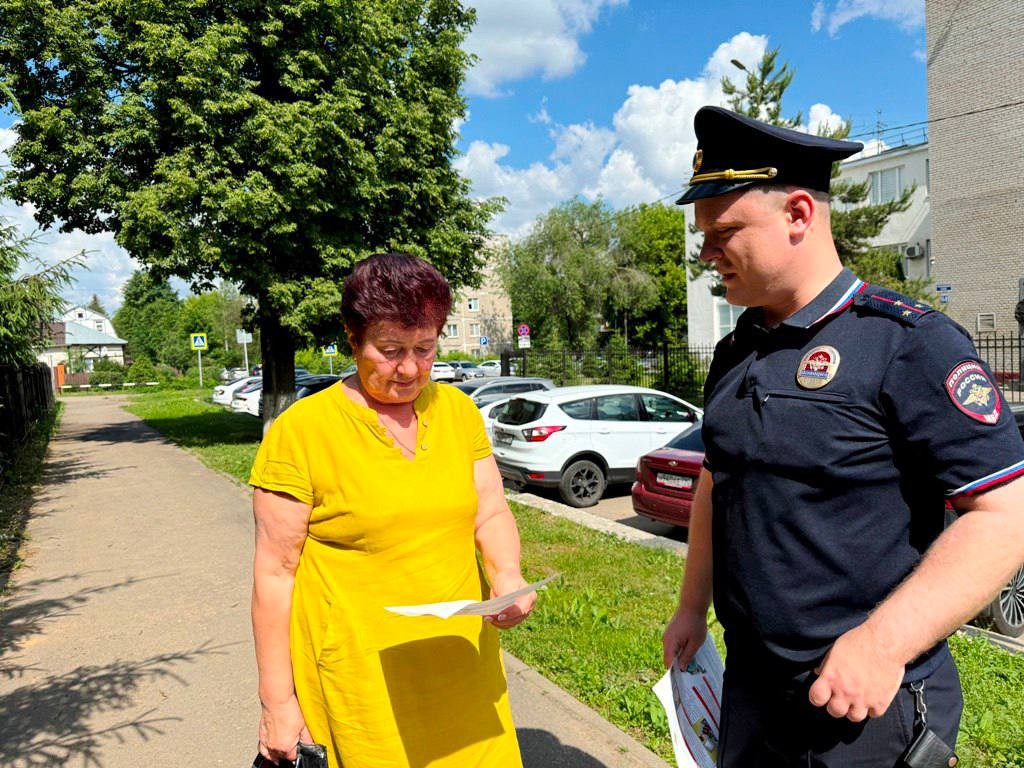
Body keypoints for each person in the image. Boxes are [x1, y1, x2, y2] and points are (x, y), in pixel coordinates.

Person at [662, 106, 1024, 766]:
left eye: (725, 231)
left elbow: (1004, 515)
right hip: (751, 697)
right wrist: (692, 606)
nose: (706, 251)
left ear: (799, 214)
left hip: (861, 712)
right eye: (704, 235)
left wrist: (883, 643)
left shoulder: (908, 344)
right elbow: (718, 477)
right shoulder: (736, 350)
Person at [249, 252, 535, 768]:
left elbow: (489, 511)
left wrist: (507, 574)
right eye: (390, 350)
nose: (409, 368)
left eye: (424, 349)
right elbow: (274, 575)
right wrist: (277, 702)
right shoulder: (303, 431)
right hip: (360, 684)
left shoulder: (457, 412)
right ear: (352, 336)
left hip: (459, 669)